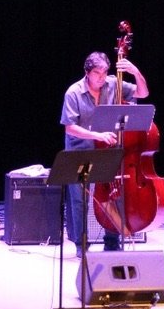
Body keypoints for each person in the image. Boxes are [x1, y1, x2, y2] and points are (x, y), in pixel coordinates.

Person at [59, 50, 149, 256]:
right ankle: (81, 245)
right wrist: (98, 136)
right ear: (87, 72)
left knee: (113, 194)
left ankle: (112, 240)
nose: (102, 77)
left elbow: (142, 93)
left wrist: (135, 72)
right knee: (79, 199)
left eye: (105, 72)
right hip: (80, 151)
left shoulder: (113, 83)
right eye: (97, 73)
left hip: (107, 150)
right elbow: (69, 127)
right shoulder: (73, 92)